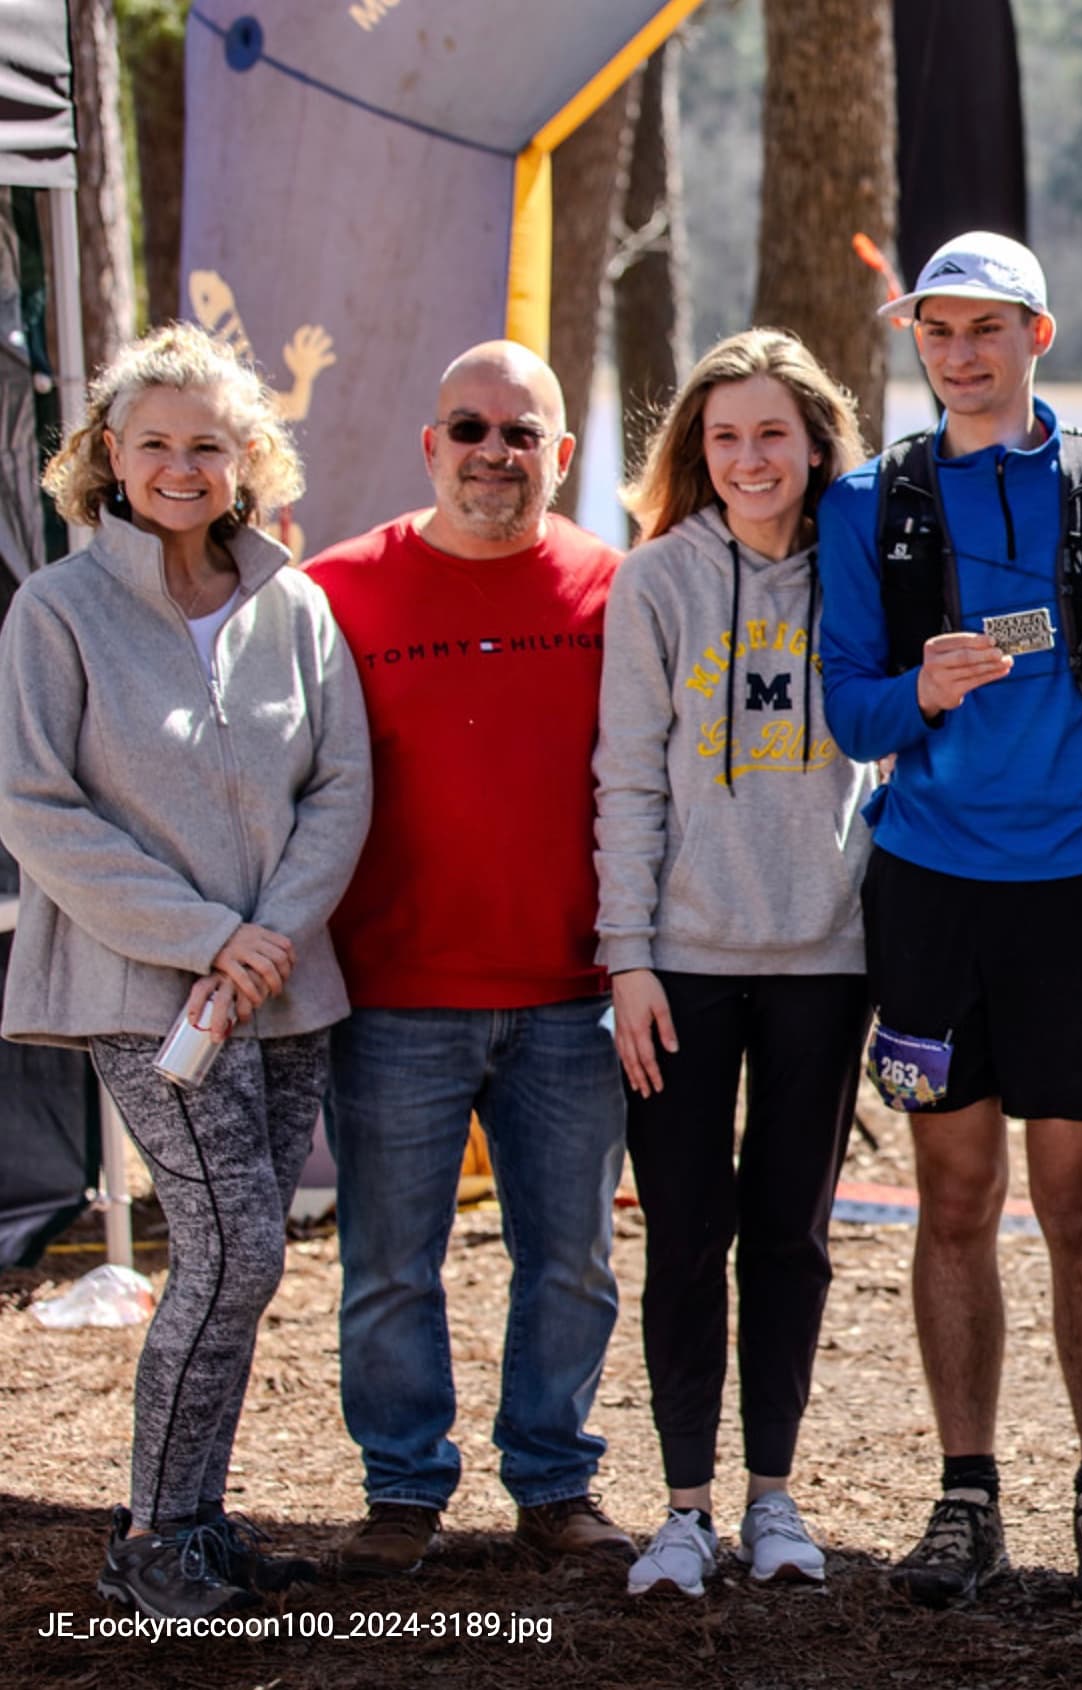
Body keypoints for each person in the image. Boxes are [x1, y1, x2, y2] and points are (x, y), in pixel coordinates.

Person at [0, 324, 371, 1616]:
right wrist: (204, 935)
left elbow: (338, 785)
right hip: (141, 989)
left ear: (245, 455)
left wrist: (268, 932)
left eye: (205, 443)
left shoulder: (297, 602)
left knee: (243, 1253)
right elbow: (39, 811)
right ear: (110, 455)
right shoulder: (57, 610)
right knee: (234, 1245)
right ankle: (154, 1535)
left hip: (281, 986)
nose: (179, 464)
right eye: (153, 442)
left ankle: (199, 1524)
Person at [816, 232, 1082, 1608]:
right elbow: (849, 708)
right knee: (954, 1199)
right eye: (935, 332)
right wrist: (925, 695)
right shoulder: (869, 504)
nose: (957, 355)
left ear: (1039, 337)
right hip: (934, 892)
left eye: (984, 329)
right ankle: (966, 1492)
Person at [307, 341, 633, 1575]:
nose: (495, 452)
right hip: (394, 997)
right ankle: (402, 1492)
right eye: (470, 427)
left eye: (522, 432)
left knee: (576, 1261)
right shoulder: (338, 591)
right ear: (429, 444)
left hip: (573, 998)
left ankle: (553, 1482)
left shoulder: (619, 589)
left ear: (559, 452)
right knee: (390, 1265)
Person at [598, 330, 881, 1596]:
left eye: (772, 434)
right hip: (684, 964)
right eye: (724, 437)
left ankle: (773, 1495)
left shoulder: (862, 570)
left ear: (816, 443)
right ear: (694, 452)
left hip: (826, 953)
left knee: (791, 1236)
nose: (749, 458)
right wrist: (627, 958)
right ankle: (681, 1506)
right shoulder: (655, 582)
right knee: (681, 1236)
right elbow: (624, 781)